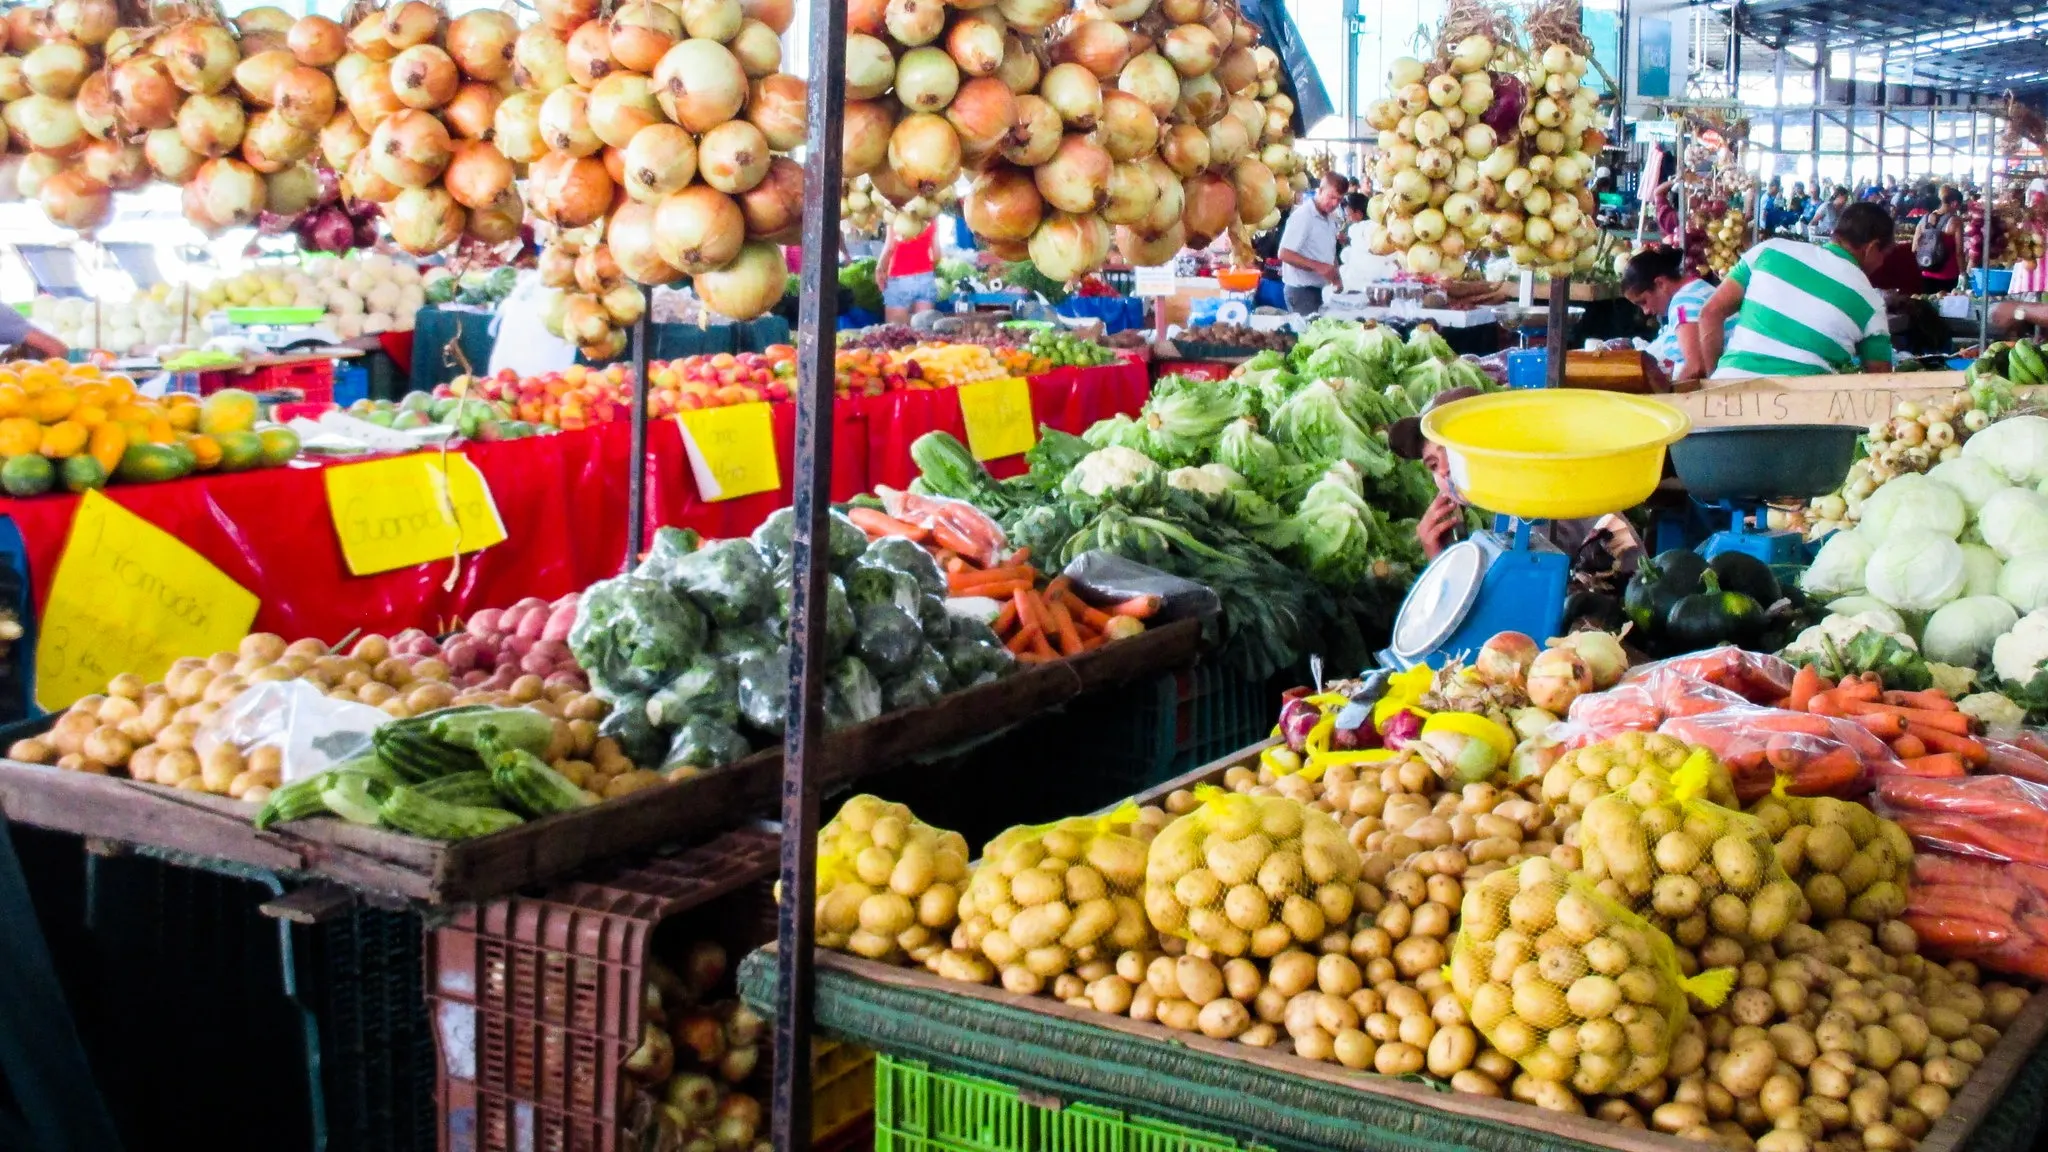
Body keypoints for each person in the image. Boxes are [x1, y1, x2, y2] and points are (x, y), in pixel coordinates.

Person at [1389, 387, 1643, 572]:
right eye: (1433, 465)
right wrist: (1443, 555)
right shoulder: (1511, 506)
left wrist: (1440, 565)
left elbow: (1508, 611)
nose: (1443, 470)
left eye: (1450, 452)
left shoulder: (1539, 505)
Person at [1696, 201, 1896, 380]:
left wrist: (1716, 378)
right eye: (1884, 255)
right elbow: (1879, 380)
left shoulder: (1769, 250)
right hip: (1802, 412)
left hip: (1728, 395)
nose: (1881, 263)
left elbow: (1710, 313)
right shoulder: (1871, 302)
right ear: (1872, 248)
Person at [1619, 247, 1729, 390]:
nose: (1645, 311)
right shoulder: (1698, 289)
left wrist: (1666, 395)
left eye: (1643, 301)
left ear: (1660, 284)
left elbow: (1696, 367)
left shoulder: (1683, 304)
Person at [1276, 171, 1346, 314]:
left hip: (1320, 290)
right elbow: (1284, 253)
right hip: (1301, 292)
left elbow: (1329, 253)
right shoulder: (1303, 216)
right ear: (1319, 191)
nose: (1334, 204)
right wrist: (1318, 266)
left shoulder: (1330, 218)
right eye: (1331, 197)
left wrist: (1336, 279)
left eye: (1339, 200)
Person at [875, 215, 938, 324]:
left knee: (897, 333)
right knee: (923, 332)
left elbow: (890, 247)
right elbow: (937, 254)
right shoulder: (930, 216)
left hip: (900, 279)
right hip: (926, 279)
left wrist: (880, 269)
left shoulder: (895, 215)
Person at [1913, 185, 1965, 293]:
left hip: (1926, 270)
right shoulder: (1955, 221)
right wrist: (1963, 273)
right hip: (1949, 274)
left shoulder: (1924, 219)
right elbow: (1959, 252)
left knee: (1929, 305)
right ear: (1955, 203)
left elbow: (1914, 248)